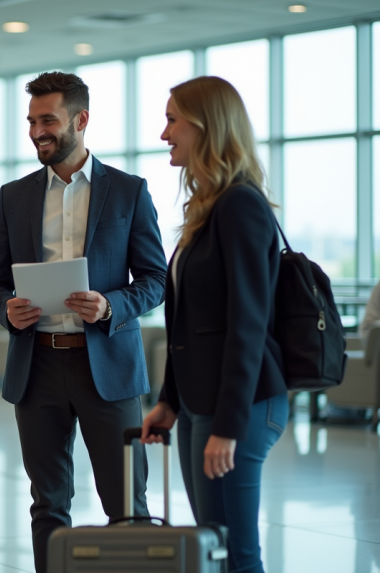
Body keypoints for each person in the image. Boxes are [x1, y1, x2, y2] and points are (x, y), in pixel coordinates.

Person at [0, 71, 167, 573]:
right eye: (32, 121)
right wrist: (6, 308)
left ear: (81, 120)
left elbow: (155, 278)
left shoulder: (128, 192)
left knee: (128, 504)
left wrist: (110, 306)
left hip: (108, 368)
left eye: (49, 120)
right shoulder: (13, 197)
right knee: (48, 504)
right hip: (36, 367)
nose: (38, 131)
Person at [141, 76, 289, 573]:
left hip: (240, 406)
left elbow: (248, 323)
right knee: (214, 544)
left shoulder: (240, 205)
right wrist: (169, 401)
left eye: (172, 120)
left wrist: (228, 426)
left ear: (206, 127)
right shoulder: (207, 209)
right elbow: (187, 323)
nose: (165, 134)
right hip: (203, 401)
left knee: (236, 550)